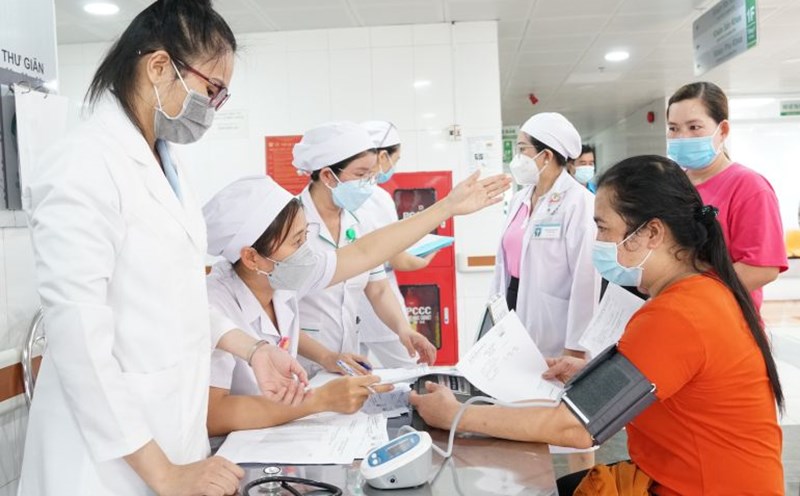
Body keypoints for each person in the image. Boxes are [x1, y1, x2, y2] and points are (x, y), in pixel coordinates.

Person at [18, 2, 309, 495]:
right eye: (211, 90)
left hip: (172, 435)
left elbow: (176, 296)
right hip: (106, 466)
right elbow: (78, 340)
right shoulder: (82, 165)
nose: (212, 109)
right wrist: (164, 473)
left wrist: (253, 349)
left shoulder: (164, 165)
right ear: (158, 67)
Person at [411, 155, 785, 496]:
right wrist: (596, 372)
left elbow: (572, 427)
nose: (599, 241)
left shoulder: (678, 314)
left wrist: (456, 415)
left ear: (652, 233)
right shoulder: (705, 292)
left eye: (604, 229)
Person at [202, 171, 508, 435]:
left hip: (277, 434)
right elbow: (213, 415)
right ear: (252, 256)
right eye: (296, 242)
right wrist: (319, 401)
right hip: (234, 452)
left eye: (304, 236)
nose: (306, 251)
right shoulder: (216, 303)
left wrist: (447, 208)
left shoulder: (278, 276)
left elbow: (364, 253)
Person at [292, 122, 437, 376]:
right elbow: (274, 309)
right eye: (360, 175)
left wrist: (403, 329)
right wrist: (327, 357)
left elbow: (378, 288)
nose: (368, 183)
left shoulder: (358, 220)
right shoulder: (289, 224)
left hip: (347, 356)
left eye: (371, 174)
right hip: (301, 362)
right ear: (327, 176)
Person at [667, 81, 787, 309]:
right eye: (673, 128)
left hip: (725, 321)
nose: (681, 137)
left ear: (722, 131)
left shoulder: (749, 186)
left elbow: (761, 268)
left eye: (694, 127)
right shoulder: (674, 184)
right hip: (678, 314)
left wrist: (694, 295)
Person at [492, 113, 599, 360]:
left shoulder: (579, 202)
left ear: (546, 156)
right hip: (512, 302)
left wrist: (576, 347)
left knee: (546, 387)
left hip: (553, 321)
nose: (516, 158)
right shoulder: (521, 199)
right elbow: (503, 263)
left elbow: (586, 279)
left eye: (522, 149)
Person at [356, 120, 437, 367]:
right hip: (378, 302)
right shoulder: (377, 197)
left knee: (354, 373)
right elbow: (398, 258)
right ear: (382, 156)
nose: (394, 166)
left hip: (350, 304)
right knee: (411, 369)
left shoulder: (349, 194)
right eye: (396, 159)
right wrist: (428, 254)